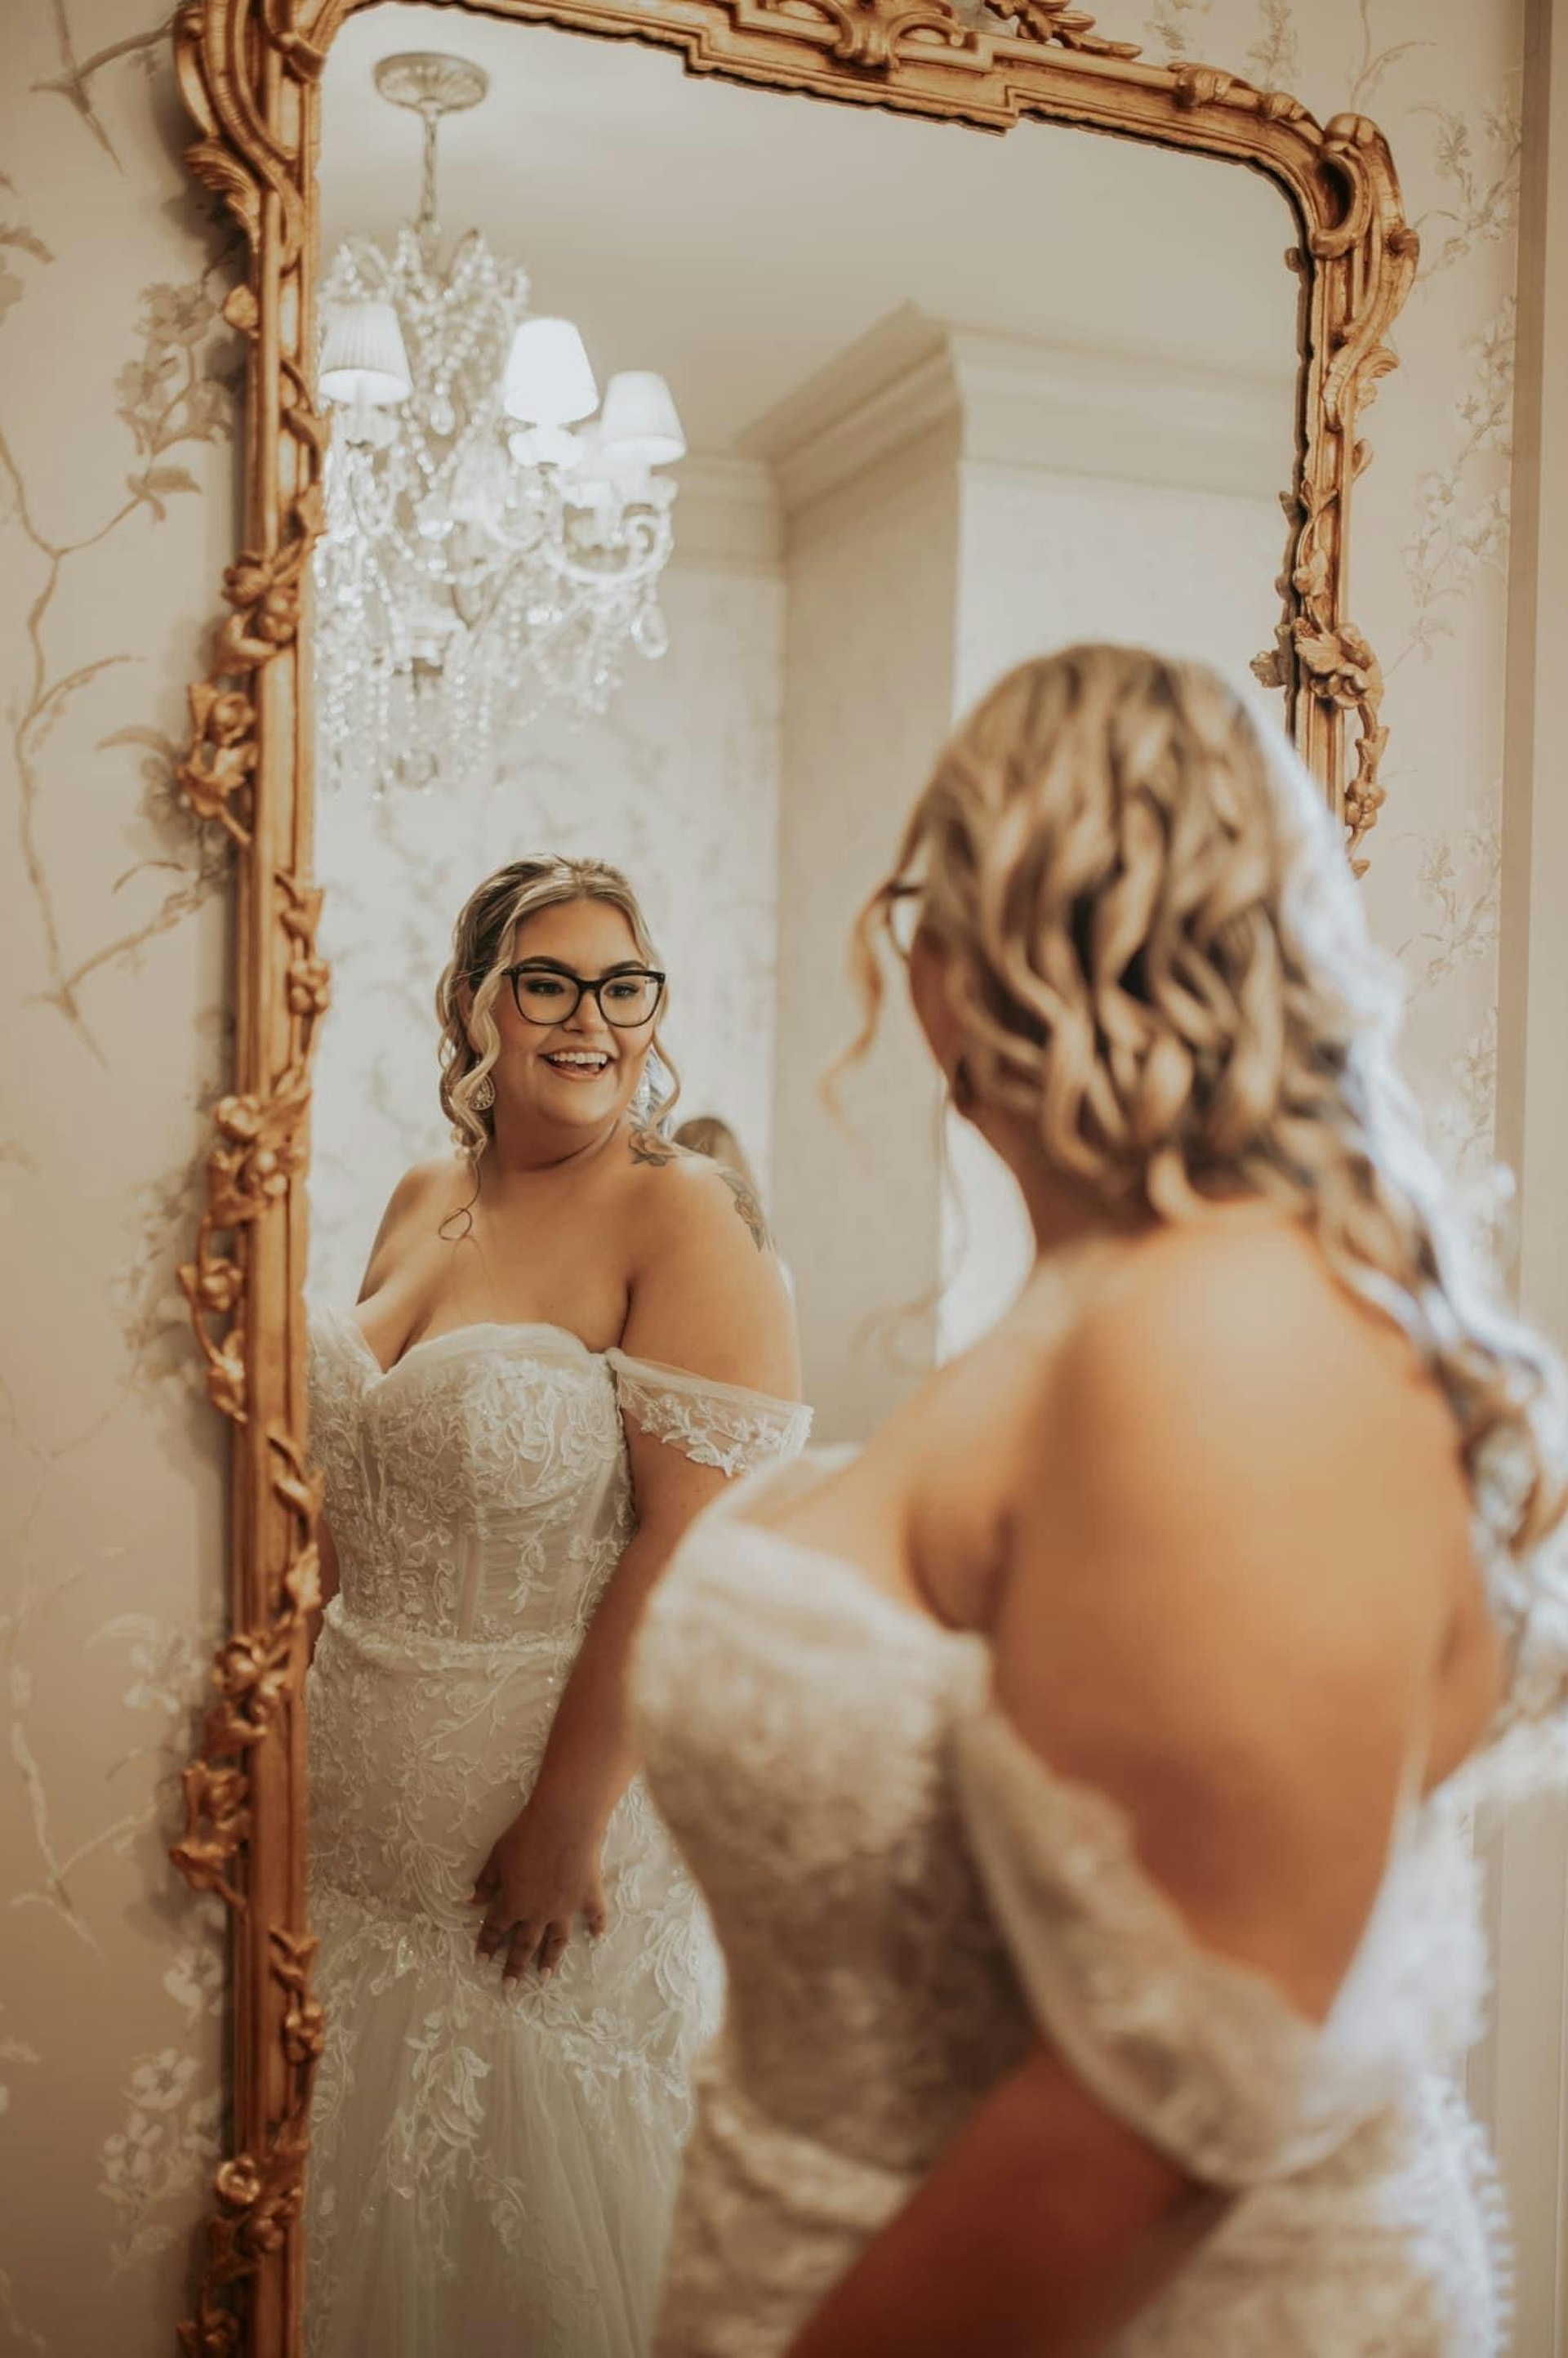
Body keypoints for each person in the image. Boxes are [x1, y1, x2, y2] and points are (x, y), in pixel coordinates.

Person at [632, 646, 1568, 2357]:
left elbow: (1182, 2094)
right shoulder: (1116, 1310)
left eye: (920, 899)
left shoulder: (1221, 1338)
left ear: (965, 944)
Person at [302, 854, 807, 2358]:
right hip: (345, 1835)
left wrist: (567, 1824)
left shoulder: (681, 1217)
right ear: (473, 1006)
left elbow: (683, 1555)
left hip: (538, 1845)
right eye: (547, 981)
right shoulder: (416, 1197)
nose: (589, 1018)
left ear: (655, 1016)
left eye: (623, 985)